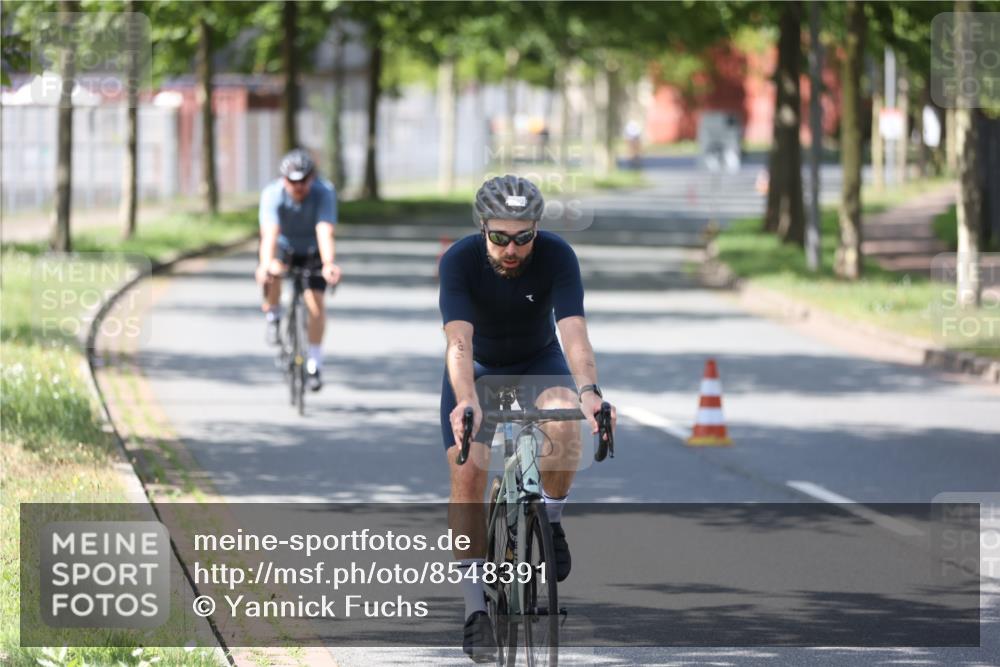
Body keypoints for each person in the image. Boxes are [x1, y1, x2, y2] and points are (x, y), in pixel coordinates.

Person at [438, 174, 617, 661]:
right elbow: (458, 340)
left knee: (567, 421)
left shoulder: (558, 256)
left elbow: (574, 332)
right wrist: (466, 400)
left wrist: (589, 393)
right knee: (468, 473)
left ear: (536, 230)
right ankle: (476, 610)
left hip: (538, 358)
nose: (511, 249)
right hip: (476, 367)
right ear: (483, 230)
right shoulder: (459, 261)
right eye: (499, 238)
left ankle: (550, 519)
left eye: (522, 238)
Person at [256, 148, 342, 391]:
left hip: (313, 251)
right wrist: (265, 265)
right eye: (293, 182)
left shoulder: (324, 192)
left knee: (316, 306)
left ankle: (314, 364)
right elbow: (270, 235)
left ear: (312, 178)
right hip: (283, 250)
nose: (299, 187)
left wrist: (328, 264)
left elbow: (324, 230)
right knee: (271, 272)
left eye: (304, 181)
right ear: (283, 180)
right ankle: (273, 315)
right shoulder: (272, 195)